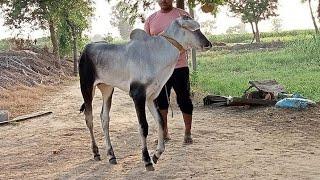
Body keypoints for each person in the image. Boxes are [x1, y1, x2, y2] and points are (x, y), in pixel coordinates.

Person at [144, 0, 193, 144]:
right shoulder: (151, 20)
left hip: (180, 67)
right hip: (160, 69)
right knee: (161, 101)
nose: (164, 0)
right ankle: (164, 133)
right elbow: (146, 44)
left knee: (184, 100)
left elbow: (190, 39)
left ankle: (188, 133)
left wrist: (173, 52)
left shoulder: (183, 15)